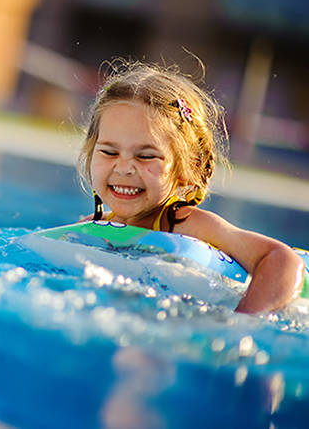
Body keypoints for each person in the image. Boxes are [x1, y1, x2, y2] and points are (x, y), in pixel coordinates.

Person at [77, 60, 304, 314]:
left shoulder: (189, 225)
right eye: (109, 151)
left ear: (188, 168)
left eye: (146, 156)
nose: (124, 168)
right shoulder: (91, 226)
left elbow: (282, 260)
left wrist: (240, 325)